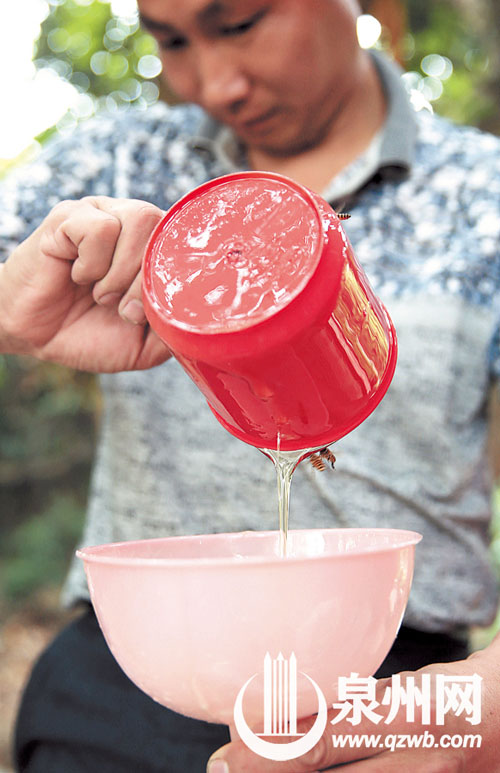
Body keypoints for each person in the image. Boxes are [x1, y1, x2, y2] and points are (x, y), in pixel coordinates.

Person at [2, 0, 500, 770]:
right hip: (119, 685)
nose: (215, 84)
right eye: (171, 41)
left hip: (396, 688)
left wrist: (479, 714)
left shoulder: (483, 198)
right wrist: (10, 311)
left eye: (238, 23)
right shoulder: (117, 164)